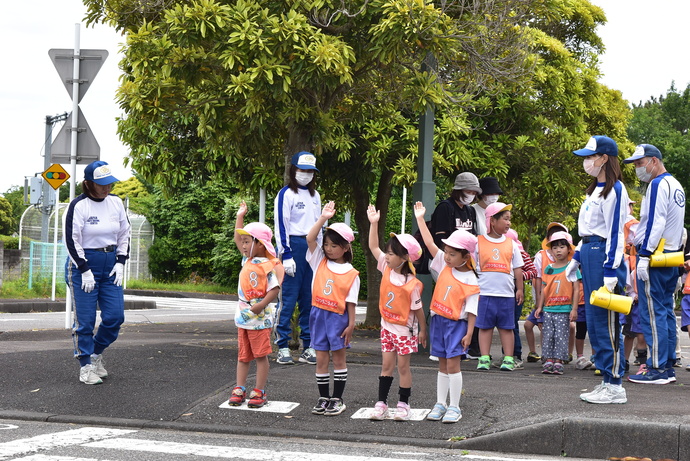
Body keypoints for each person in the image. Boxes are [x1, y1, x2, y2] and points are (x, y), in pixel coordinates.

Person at [567, 135, 630, 404]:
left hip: (605, 257)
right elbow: (588, 231)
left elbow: (616, 233)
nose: (586, 162)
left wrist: (610, 270)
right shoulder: (594, 190)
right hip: (591, 253)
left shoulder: (616, 189)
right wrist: (576, 257)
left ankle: (615, 383)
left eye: (590, 156)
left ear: (604, 158)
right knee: (593, 321)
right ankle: (606, 378)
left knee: (607, 322)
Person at [64, 160, 131, 385]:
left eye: (109, 184)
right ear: (88, 183)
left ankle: (94, 353)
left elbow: (124, 233)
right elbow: (71, 240)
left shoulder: (116, 203)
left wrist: (121, 261)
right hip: (84, 264)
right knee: (85, 321)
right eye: (101, 184)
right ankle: (85, 366)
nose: (106, 188)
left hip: (110, 263)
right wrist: (84, 269)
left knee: (115, 317)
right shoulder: (78, 206)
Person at [623, 144, 686, 384]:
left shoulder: (658, 184)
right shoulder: (676, 185)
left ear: (653, 161)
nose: (638, 168)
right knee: (666, 311)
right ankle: (667, 366)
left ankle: (657, 368)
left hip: (655, 256)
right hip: (670, 256)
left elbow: (655, 222)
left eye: (640, 163)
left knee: (653, 313)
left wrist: (645, 254)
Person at [414, 202, 479, 424]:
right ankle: (440, 403)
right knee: (442, 364)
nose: (447, 256)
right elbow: (430, 243)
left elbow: (471, 310)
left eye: (452, 253)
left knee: (453, 365)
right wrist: (421, 219)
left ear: (465, 257)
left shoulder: (471, 278)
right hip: (439, 322)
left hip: (456, 325)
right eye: (447, 252)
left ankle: (454, 407)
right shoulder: (443, 263)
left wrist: (469, 333)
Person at [367, 205, 427, 421]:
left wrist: (422, 330)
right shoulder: (386, 268)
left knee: (403, 367)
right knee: (386, 365)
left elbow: (418, 310)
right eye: (388, 252)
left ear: (405, 258)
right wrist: (374, 223)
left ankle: (403, 404)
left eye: (391, 253)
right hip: (387, 328)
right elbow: (373, 246)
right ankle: (381, 403)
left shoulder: (412, 283)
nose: (387, 256)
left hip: (404, 331)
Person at [306, 202, 360, 416]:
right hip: (318, 315)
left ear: (345, 247)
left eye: (333, 246)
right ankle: (323, 398)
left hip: (339, 318)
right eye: (327, 244)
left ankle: (337, 399)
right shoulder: (319, 260)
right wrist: (322, 219)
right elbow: (310, 239)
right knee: (321, 358)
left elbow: (351, 302)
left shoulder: (351, 272)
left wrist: (351, 324)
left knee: (338, 359)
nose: (328, 249)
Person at [229, 202, 283, 408]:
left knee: (260, 355)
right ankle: (239, 387)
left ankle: (259, 390)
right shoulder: (247, 260)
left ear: (260, 243)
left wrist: (260, 306)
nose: (242, 245)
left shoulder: (270, 265)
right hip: (243, 317)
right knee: (243, 355)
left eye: (247, 241)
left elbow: (274, 289)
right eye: (242, 242)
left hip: (260, 318)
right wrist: (240, 216)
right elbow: (236, 237)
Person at [274, 151, 321, 365]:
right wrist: (286, 254)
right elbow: (281, 225)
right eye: (302, 170)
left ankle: (308, 346)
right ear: (294, 170)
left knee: (308, 300)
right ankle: (282, 346)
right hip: (293, 246)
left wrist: (321, 252)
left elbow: (320, 226)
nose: (306, 174)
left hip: (312, 247)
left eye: (310, 171)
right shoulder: (285, 194)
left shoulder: (315, 196)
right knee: (288, 299)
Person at [474, 202, 524, 372]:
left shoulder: (512, 244)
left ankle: (509, 358)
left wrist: (520, 289)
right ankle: (484, 358)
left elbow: (518, 269)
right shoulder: (478, 242)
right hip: (485, 293)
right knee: (485, 327)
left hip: (506, 295)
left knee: (507, 327)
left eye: (510, 219)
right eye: (505, 219)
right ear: (492, 221)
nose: (509, 223)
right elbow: (472, 267)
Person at [534, 231, 580, 375]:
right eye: (555, 247)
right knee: (548, 335)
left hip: (564, 309)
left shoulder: (572, 267)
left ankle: (559, 361)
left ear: (568, 249)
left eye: (562, 247)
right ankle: (548, 360)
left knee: (561, 336)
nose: (558, 250)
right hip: (549, 308)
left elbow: (577, 290)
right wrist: (540, 306)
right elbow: (544, 289)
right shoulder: (548, 268)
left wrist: (574, 309)